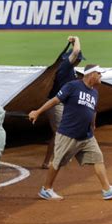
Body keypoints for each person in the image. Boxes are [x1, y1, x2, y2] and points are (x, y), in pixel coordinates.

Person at [29, 64, 112, 201]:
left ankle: (107, 190)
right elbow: (55, 100)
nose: (101, 76)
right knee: (57, 162)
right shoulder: (72, 86)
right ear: (91, 74)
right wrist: (38, 112)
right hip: (68, 134)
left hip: (86, 135)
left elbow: (92, 110)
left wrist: (92, 124)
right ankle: (46, 189)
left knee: (98, 157)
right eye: (99, 74)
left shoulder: (95, 92)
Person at [41, 36, 85, 169]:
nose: (78, 62)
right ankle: (49, 161)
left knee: (64, 131)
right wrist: (76, 39)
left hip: (64, 104)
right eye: (77, 60)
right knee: (60, 132)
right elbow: (76, 51)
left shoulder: (69, 69)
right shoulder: (65, 66)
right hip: (56, 104)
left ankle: (57, 158)